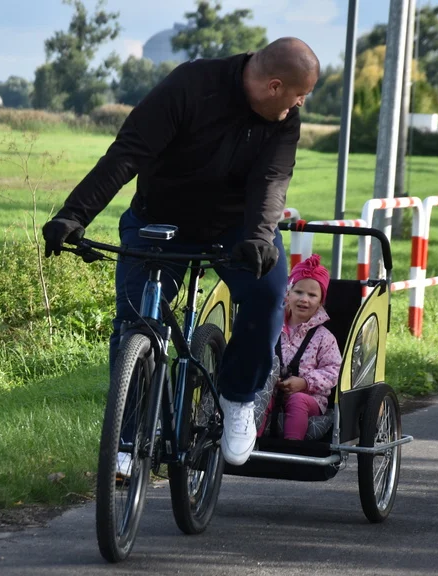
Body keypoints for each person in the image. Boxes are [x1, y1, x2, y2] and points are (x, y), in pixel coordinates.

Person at [41, 37, 321, 467]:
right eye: (297, 95)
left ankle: (237, 400)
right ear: (274, 86)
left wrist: (261, 238)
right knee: (136, 323)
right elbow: (127, 152)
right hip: (159, 221)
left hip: (237, 231)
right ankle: (127, 440)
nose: (298, 105)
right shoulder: (190, 86)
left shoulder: (285, 119)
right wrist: (73, 214)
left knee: (266, 295)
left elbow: (271, 180)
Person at [257, 254, 341, 440]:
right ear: (287, 293)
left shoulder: (324, 338)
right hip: (272, 389)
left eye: (312, 295)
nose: (304, 299)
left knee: (297, 400)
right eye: (299, 292)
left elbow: (333, 370)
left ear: (321, 302)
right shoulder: (273, 327)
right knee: (260, 395)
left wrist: (305, 383)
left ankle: (292, 445)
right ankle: (252, 441)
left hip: (309, 397)